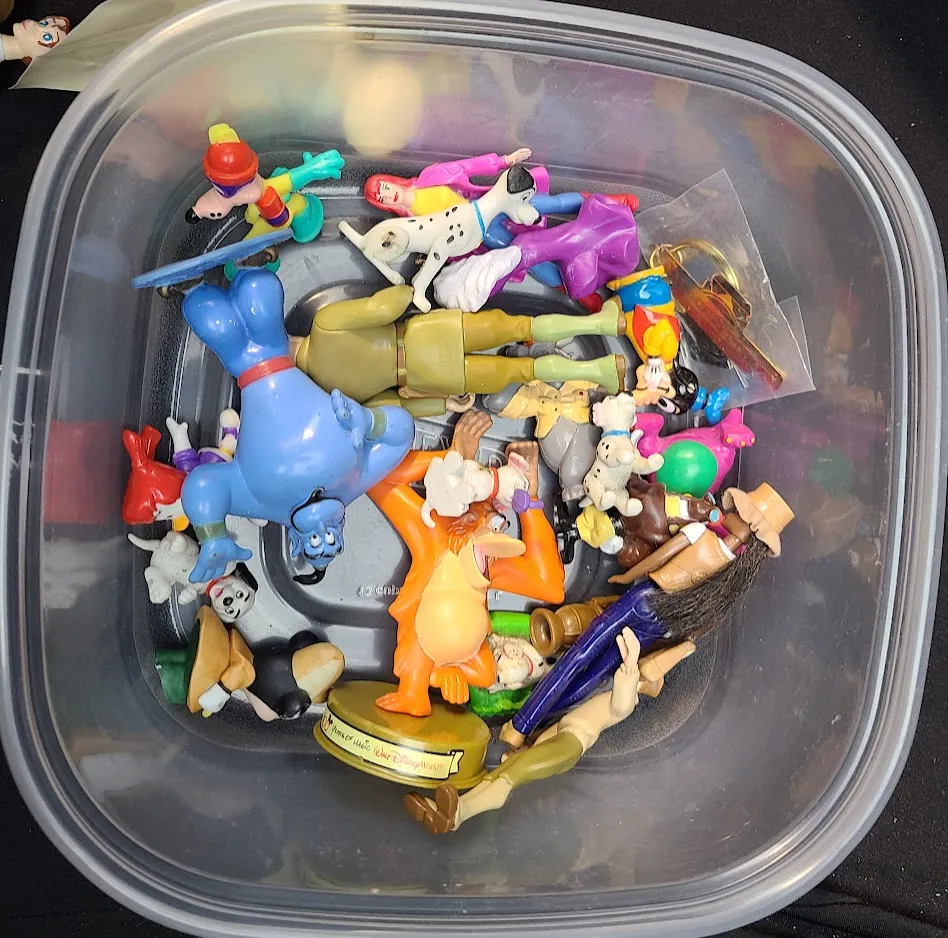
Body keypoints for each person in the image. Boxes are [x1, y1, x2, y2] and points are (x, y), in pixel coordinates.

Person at [403, 628, 694, 833]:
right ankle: (451, 811)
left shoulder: (625, 701)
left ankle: (460, 812)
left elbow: (620, 706)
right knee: (504, 772)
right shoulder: (601, 690)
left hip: (571, 746)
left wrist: (630, 668)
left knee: (512, 776)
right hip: (559, 736)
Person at [289, 285, 628, 418]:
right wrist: (406, 291)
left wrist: (443, 404)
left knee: (523, 372)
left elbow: (392, 407)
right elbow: (381, 308)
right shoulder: (323, 325)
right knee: (522, 326)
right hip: (426, 334)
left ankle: (598, 372)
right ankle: (602, 322)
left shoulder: (329, 395)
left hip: (429, 377)